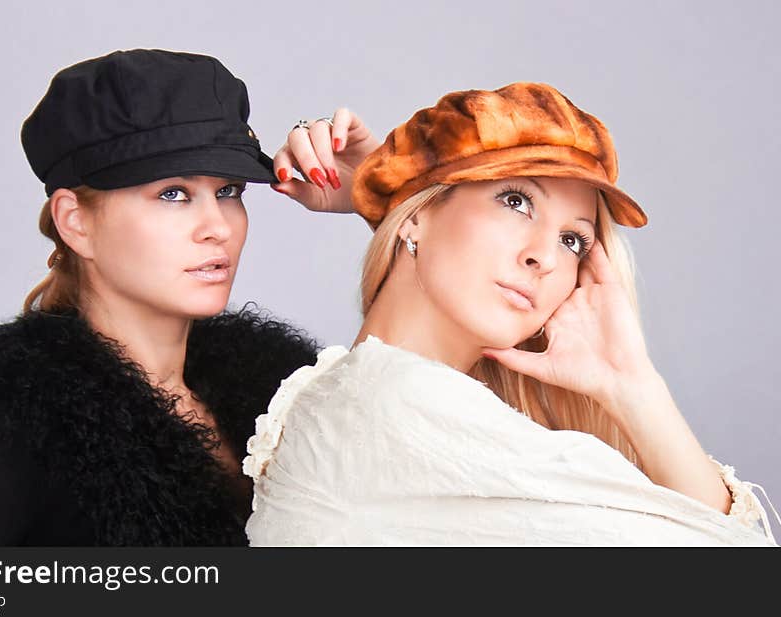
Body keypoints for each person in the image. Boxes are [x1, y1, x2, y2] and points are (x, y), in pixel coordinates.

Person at [244, 83, 779, 546]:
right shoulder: (404, 403)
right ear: (418, 214)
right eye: (516, 201)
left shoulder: (365, 404)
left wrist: (624, 379)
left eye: (573, 239)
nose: (544, 257)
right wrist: (636, 386)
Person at [0, 49, 371, 546]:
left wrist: (379, 197)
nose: (217, 227)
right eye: (173, 193)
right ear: (75, 222)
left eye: (229, 190)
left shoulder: (272, 394)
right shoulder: (38, 425)